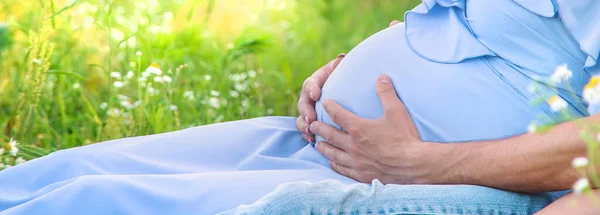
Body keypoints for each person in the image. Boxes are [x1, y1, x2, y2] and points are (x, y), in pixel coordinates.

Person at [1, 0, 598, 214]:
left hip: (441, 179)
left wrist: (420, 164)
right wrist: (383, 56)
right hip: (328, 145)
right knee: (72, 173)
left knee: (111, 204)